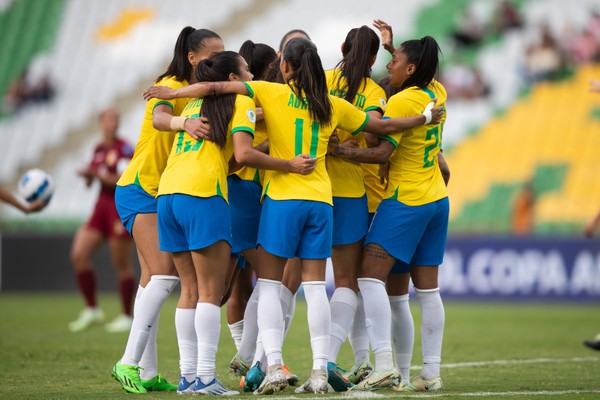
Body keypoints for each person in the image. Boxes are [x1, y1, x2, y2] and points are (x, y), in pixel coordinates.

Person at [144, 36, 442, 395]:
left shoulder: (272, 93)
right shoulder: (331, 105)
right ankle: (320, 370)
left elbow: (219, 85)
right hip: (321, 201)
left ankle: (271, 364)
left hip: (282, 199)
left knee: (270, 285)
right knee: (316, 287)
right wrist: (424, 117)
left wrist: (174, 95)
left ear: (285, 68)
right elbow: (380, 128)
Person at [157, 50, 315, 396]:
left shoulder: (193, 106)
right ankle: (206, 378)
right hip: (203, 195)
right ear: (232, 79)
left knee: (189, 291)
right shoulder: (240, 102)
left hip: (168, 193)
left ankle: (188, 379)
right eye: (245, 71)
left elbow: (227, 159)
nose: (250, 76)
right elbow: (242, 156)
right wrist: (287, 162)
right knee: (210, 294)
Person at [328, 34, 448, 392]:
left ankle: (383, 365)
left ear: (410, 68)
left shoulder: (400, 101)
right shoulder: (436, 93)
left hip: (405, 199)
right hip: (436, 199)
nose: (387, 64)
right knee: (424, 293)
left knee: (366, 278)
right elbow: (415, 67)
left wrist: (340, 153)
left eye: (393, 60)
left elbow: (380, 154)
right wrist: (393, 47)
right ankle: (428, 374)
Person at [111, 27, 223, 394]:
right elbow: (160, 119)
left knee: (151, 280)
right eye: (211, 54)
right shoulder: (171, 84)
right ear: (192, 58)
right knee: (163, 273)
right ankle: (126, 363)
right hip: (142, 187)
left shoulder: (197, 93)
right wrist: (184, 123)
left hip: (156, 190)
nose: (217, 60)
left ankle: (146, 371)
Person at [318, 25, 388, 393]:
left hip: (309, 186)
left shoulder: (323, 78)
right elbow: (376, 136)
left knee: (292, 280)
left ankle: (267, 363)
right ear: (375, 58)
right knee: (348, 282)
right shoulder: (374, 91)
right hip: (348, 190)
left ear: (341, 46)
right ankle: (327, 361)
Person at [68, 107, 136, 334]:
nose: (112, 123)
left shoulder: (124, 148)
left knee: (121, 264)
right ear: (101, 123)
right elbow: (93, 181)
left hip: (118, 207)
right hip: (100, 208)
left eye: (115, 118)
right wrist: (89, 176)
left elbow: (121, 179)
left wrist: (96, 174)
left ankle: (127, 315)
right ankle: (92, 309)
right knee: (79, 255)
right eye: (108, 119)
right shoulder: (98, 148)